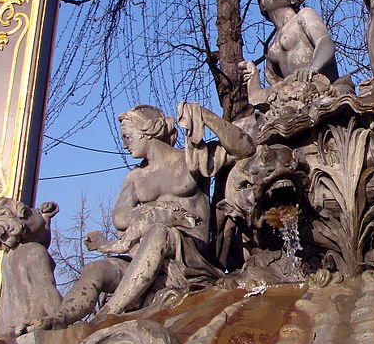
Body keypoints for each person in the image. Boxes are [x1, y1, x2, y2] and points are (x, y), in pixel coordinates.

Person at [29, 104, 254, 330]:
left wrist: (206, 117)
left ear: (149, 131)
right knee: (96, 270)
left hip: (189, 257)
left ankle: (105, 317)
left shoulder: (191, 158)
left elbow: (245, 149)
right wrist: (156, 212)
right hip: (144, 263)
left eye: (128, 136)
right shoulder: (135, 178)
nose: (125, 144)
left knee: (159, 232)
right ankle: (59, 320)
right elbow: (119, 218)